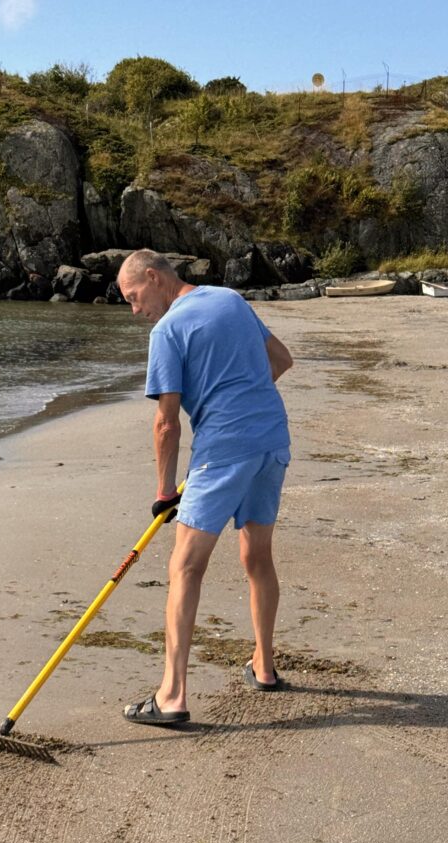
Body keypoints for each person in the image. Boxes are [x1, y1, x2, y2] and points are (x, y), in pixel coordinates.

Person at [116, 249, 293, 726]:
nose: (135, 310)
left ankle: (171, 695)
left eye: (133, 297)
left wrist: (163, 491)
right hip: (272, 439)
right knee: (256, 557)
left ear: (153, 278)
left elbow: (166, 424)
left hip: (224, 453)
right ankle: (264, 666)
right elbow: (280, 359)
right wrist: (241, 400)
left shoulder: (167, 330)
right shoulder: (230, 299)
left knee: (185, 566)